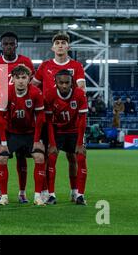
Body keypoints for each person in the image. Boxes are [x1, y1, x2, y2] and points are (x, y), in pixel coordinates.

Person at [32, 31, 86, 203]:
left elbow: (81, 89)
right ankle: (49, 192)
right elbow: (34, 87)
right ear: (52, 47)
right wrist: (43, 101)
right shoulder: (44, 66)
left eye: (64, 42)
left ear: (68, 46)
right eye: (57, 43)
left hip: (72, 118)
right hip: (50, 119)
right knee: (49, 156)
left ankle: (75, 192)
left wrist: (75, 99)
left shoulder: (76, 66)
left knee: (72, 157)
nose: (60, 45)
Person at [0, 31, 35, 203]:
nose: (8, 46)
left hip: (22, 117)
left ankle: (22, 193)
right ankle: (0, 192)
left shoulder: (26, 62)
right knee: (0, 154)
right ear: (1, 46)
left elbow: (31, 88)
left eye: (12, 43)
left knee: (22, 156)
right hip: (1, 117)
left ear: (17, 45)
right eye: (6, 43)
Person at [0, 65, 46, 206]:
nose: (21, 81)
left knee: (40, 157)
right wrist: (3, 143)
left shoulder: (35, 92)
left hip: (30, 133)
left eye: (24, 77)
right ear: (13, 79)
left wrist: (37, 140)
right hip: (12, 134)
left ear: (29, 78)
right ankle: (3, 197)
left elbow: (40, 117)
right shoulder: (6, 92)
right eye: (18, 78)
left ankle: (37, 197)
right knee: (2, 158)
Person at [44, 69, 88, 205]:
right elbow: (49, 121)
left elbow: (82, 120)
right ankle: (51, 195)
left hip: (75, 131)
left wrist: (80, 143)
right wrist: (52, 143)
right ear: (56, 82)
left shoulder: (79, 94)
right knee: (51, 158)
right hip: (57, 131)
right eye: (61, 82)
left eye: (67, 82)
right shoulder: (50, 95)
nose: (64, 85)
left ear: (72, 82)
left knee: (79, 157)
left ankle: (78, 194)